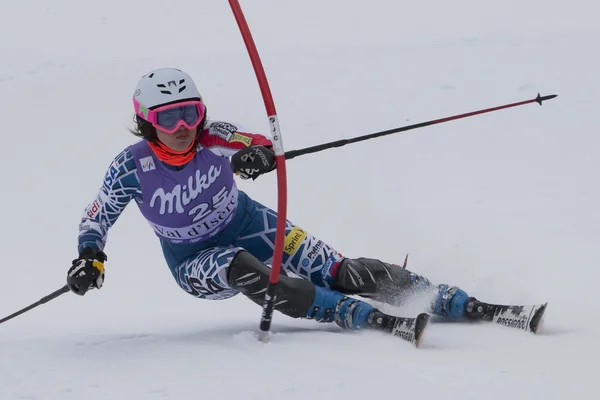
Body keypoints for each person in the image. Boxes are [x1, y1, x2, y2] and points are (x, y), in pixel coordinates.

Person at [66, 67, 483, 337]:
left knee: (339, 270)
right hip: (194, 260)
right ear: (146, 121)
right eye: (168, 118)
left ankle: (439, 296)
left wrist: (257, 154)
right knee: (249, 271)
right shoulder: (130, 167)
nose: (183, 127)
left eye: (190, 113)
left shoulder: (213, 136)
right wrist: (90, 258)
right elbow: (96, 218)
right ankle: (347, 313)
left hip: (250, 222)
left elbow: (257, 141)